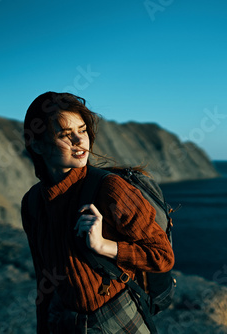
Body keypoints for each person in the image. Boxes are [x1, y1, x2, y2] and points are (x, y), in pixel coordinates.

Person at [21, 92, 175, 333]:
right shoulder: (32, 202)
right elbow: (44, 279)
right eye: (65, 134)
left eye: (82, 130)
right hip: (64, 321)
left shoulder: (111, 190)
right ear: (37, 145)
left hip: (117, 319)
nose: (79, 141)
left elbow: (162, 257)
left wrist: (103, 246)